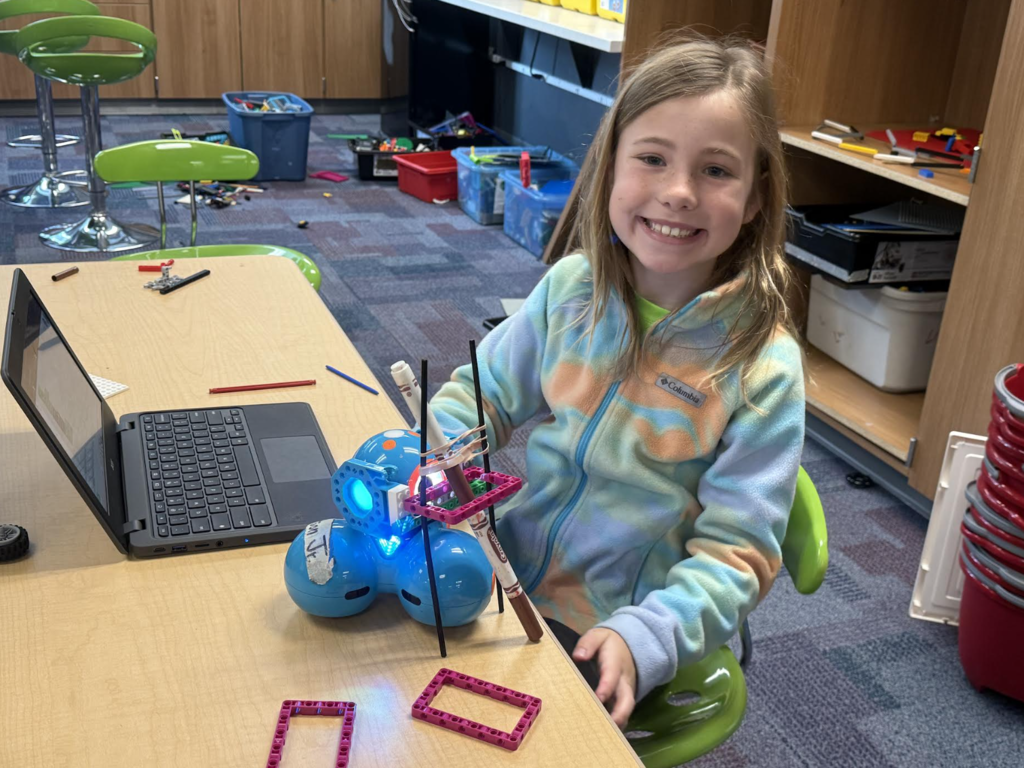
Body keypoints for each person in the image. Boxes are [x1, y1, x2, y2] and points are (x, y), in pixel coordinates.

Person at [429, 34, 805, 727]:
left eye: (717, 170)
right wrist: (433, 454)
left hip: (622, 631)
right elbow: (479, 395)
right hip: (502, 571)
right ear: (610, 169)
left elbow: (736, 554)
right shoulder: (574, 290)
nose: (679, 192)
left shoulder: (763, 368)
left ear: (756, 198)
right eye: (653, 159)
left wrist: (647, 637)